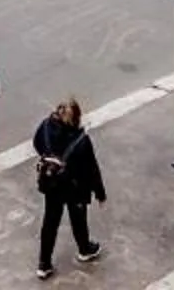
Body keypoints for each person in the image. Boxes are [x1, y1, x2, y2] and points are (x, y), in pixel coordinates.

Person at [31, 96, 107, 277]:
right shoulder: (81, 141)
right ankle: (84, 249)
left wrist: (48, 156)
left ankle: (44, 263)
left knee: (50, 222)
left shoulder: (46, 127)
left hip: (52, 184)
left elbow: (36, 142)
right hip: (75, 187)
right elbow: (91, 168)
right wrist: (100, 192)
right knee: (78, 219)